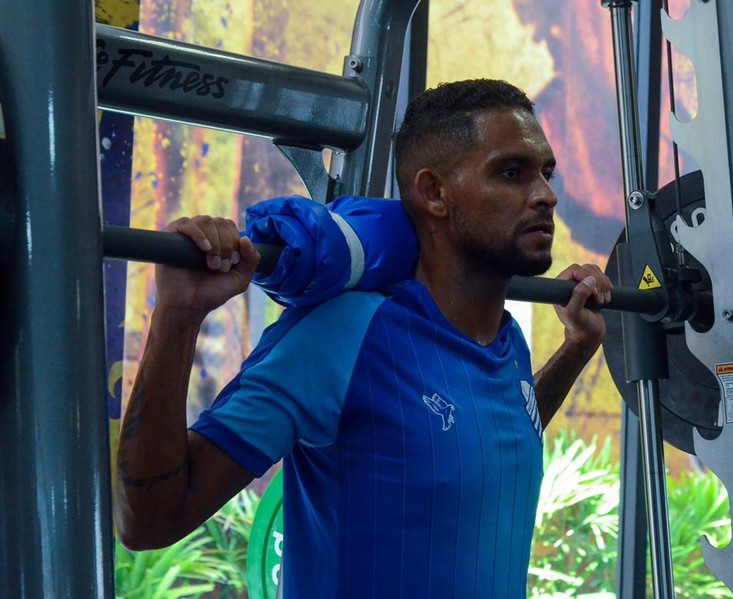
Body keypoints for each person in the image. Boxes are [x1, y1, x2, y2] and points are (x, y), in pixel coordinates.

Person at [114, 78, 613, 597]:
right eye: (511, 173)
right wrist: (178, 316)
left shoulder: (505, 342)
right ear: (434, 193)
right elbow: (149, 521)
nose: (546, 195)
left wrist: (576, 349)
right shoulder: (342, 334)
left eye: (546, 173)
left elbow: (484, 438)